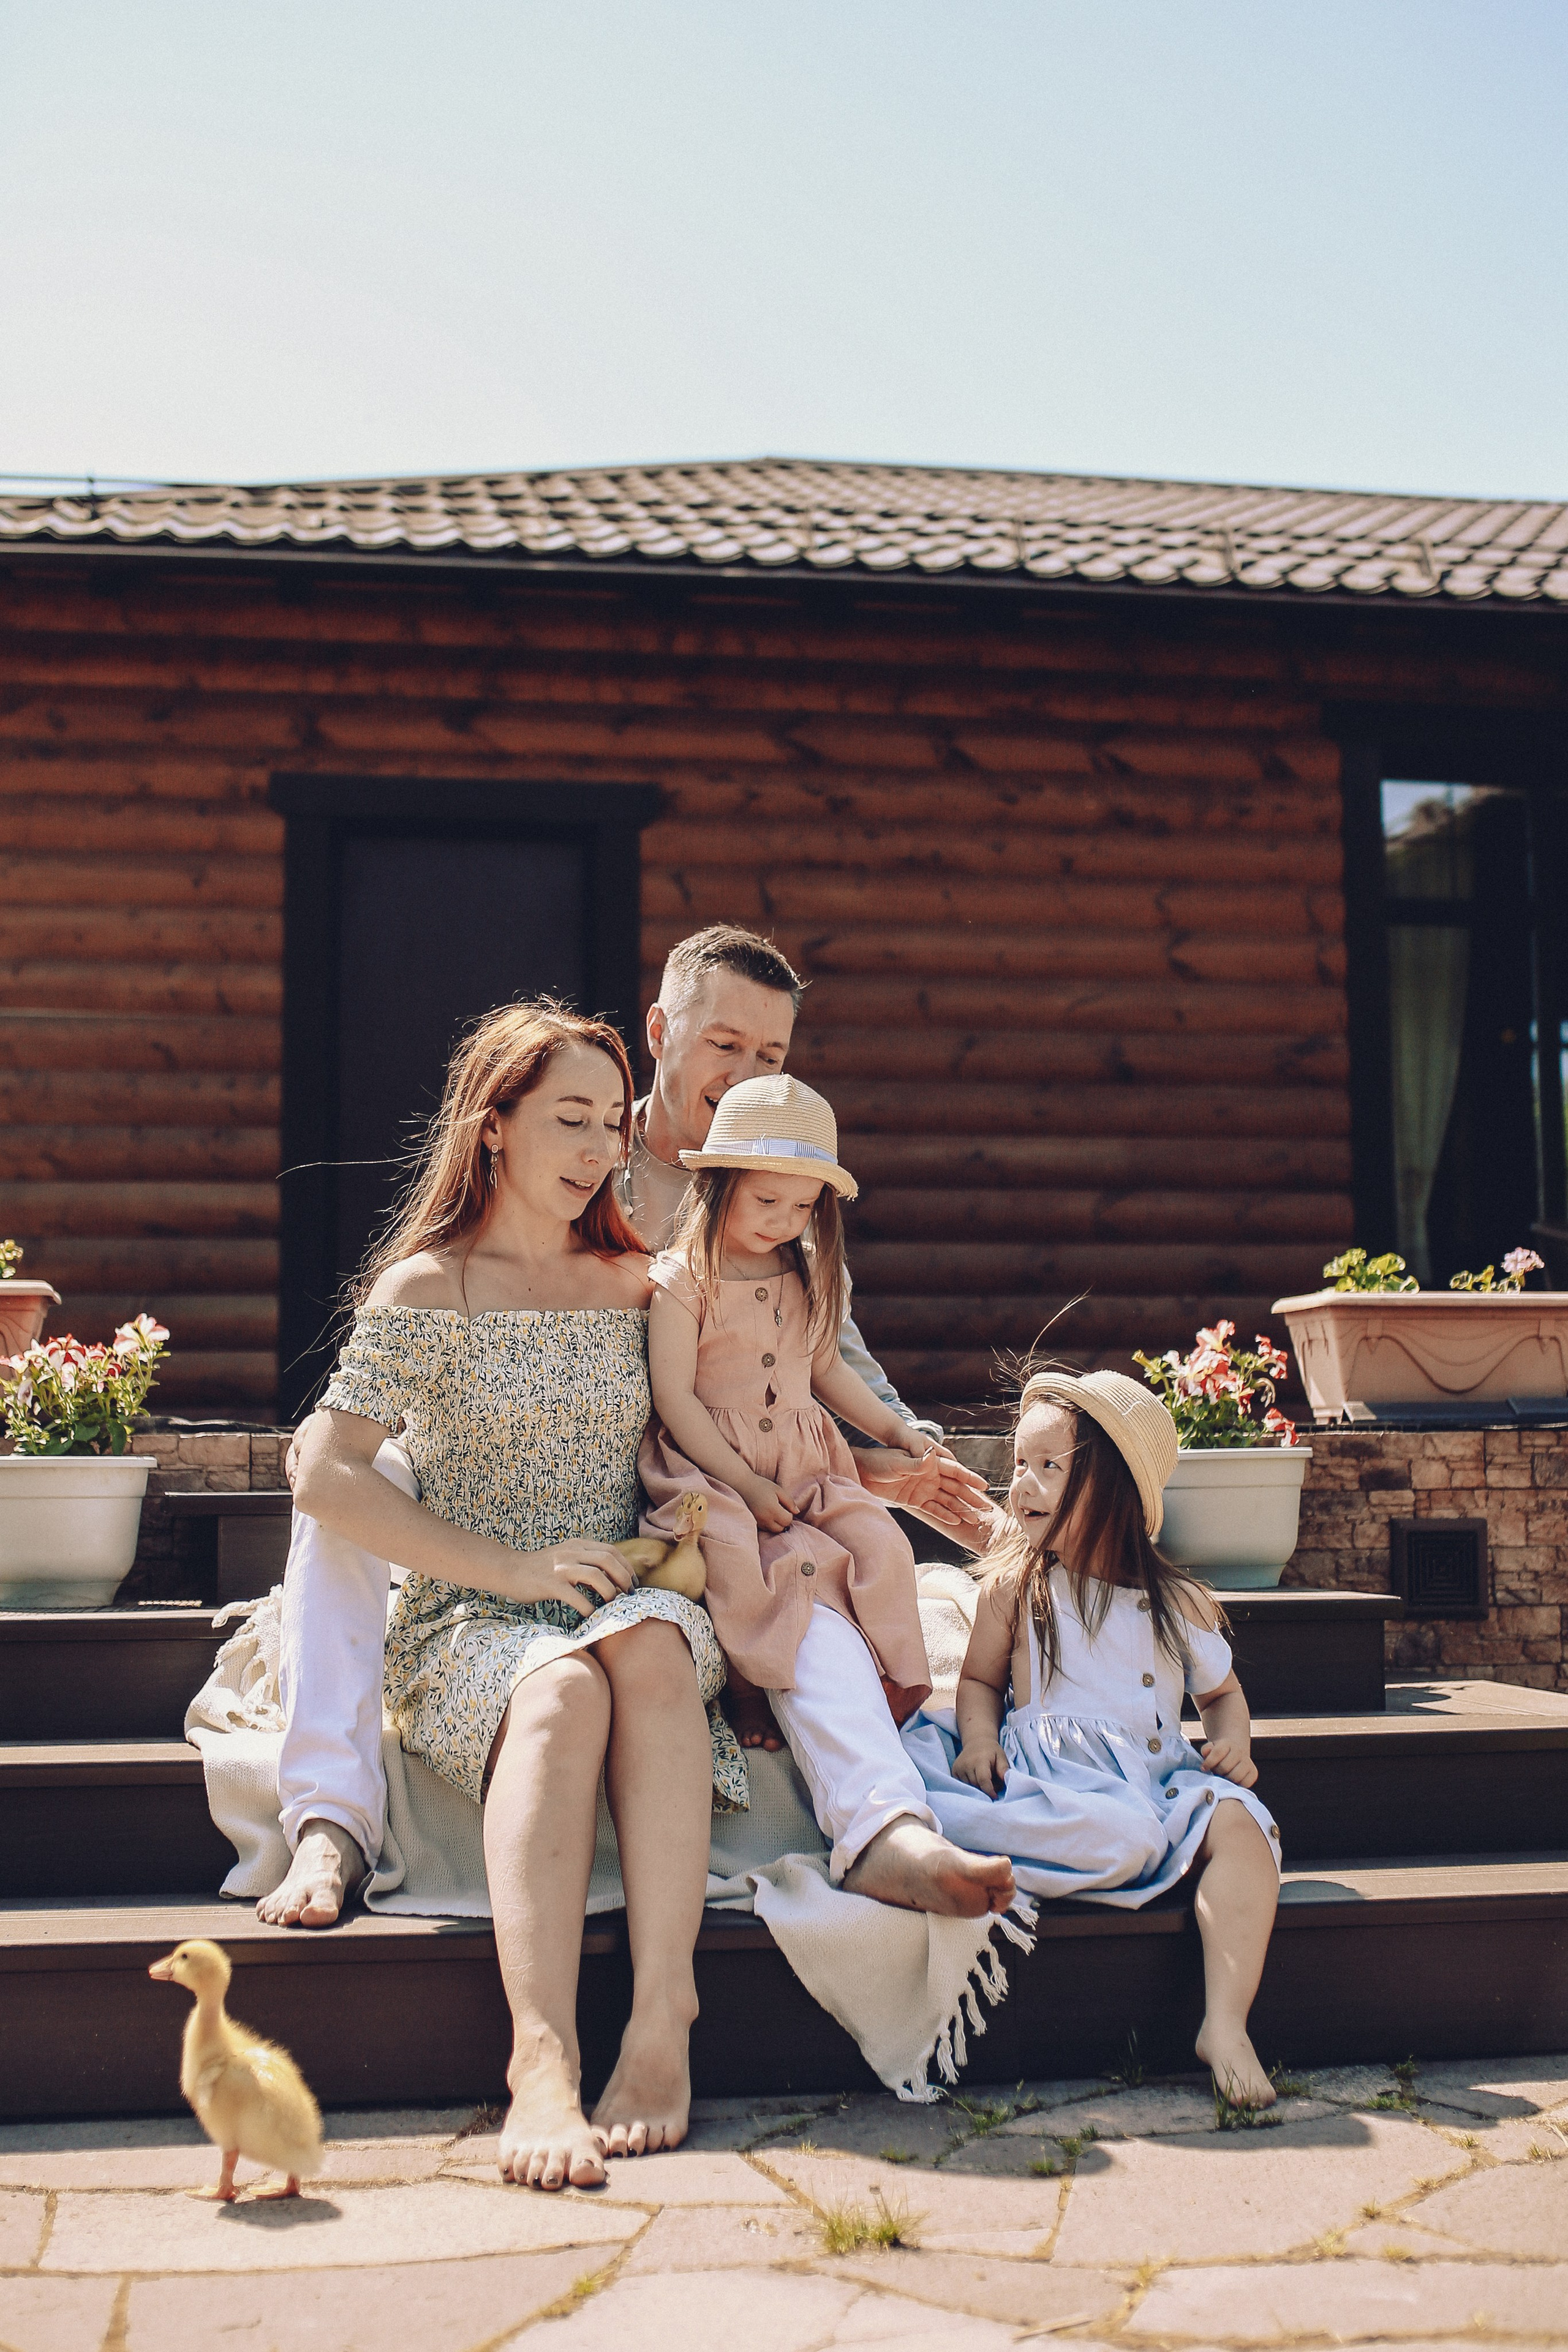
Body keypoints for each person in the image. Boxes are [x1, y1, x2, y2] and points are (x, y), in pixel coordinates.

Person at [262, 924, 990, 1932]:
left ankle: (878, 1828)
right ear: (661, 1032)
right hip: (491, 1462)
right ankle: (330, 1816)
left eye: (771, 1055)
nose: (746, 1074)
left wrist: (887, 1458)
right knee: (342, 1469)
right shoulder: (575, 1161)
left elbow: (815, 1359)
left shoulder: (774, 1197)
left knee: (789, 1567)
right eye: (725, 1045)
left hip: (666, 1490)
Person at [288, 1002, 742, 2188]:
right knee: (558, 1695)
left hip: (630, 1590)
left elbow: (779, 1374)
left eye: (613, 1122)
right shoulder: (427, 1289)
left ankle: (663, 2014)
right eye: (568, 1119)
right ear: (492, 1126)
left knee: (649, 1651)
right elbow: (323, 1472)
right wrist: (509, 1572)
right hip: (475, 1616)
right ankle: (541, 2056)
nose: (599, 1148)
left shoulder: (642, 1283)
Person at [640, 1072, 1016, 1918]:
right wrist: (743, 1482)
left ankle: (878, 1688)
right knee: (742, 1561)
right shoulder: (681, 1280)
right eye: (765, 1200)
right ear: (720, 1182)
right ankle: (751, 1684)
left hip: (805, 1460)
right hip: (716, 1468)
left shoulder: (800, 1271)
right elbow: (676, 1402)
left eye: (802, 1207)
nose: (782, 1220)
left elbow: (828, 1372)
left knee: (880, 1544)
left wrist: (898, 1433)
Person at [904, 1367, 1284, 2108]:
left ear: (1114, 1491)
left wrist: (1232, 1745)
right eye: (1019, 1463)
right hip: (1053, 1779)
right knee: (1115, 1836)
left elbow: (1221, 1695)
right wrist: (978, 1741)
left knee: (1245, 1829)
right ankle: (988, 1849)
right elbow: (978, 1681)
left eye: (1049, 1466)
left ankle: (1225, 2022)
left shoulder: (1175, 1602)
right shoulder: (1017, 1586)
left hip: (1154, 1778)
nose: (1022, 1483)